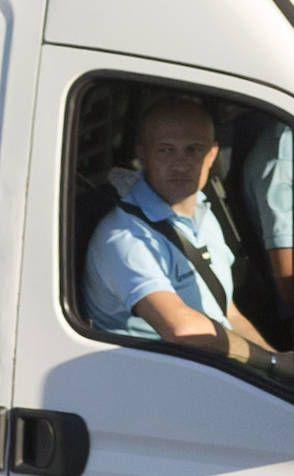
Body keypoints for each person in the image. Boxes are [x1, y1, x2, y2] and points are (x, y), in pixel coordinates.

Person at [82, 92, 273, 356]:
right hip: (161, 373)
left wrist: (278, 365)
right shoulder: (125, 236)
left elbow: (227, 313)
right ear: (143, 155)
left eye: (193, 150)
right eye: (166, 150)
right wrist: (272, 362)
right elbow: (182, 330)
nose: (180, 165)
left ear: (211, 155)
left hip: (211, 364)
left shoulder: (203, 212)